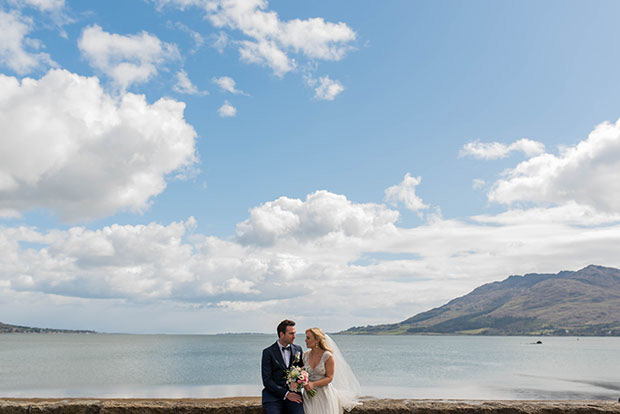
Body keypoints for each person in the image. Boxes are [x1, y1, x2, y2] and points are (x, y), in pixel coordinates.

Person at [302, 328, 361, 414]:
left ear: (317, 340)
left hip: (324, 394)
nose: (305, 340)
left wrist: (313, 384)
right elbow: (301, 373)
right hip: (309, 396)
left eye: (308, 338)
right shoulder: (305, 355)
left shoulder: (327, 356)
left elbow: (329, 377)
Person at [261, 319, 305, 414]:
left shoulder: (298, 349)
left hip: (294, 395)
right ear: (282, 334)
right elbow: (267, 380)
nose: (294, 336)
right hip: (273, 396)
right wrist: (286, 394)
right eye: (291, 334)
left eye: (294, 333)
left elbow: (302, 370)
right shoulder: (268, 352)